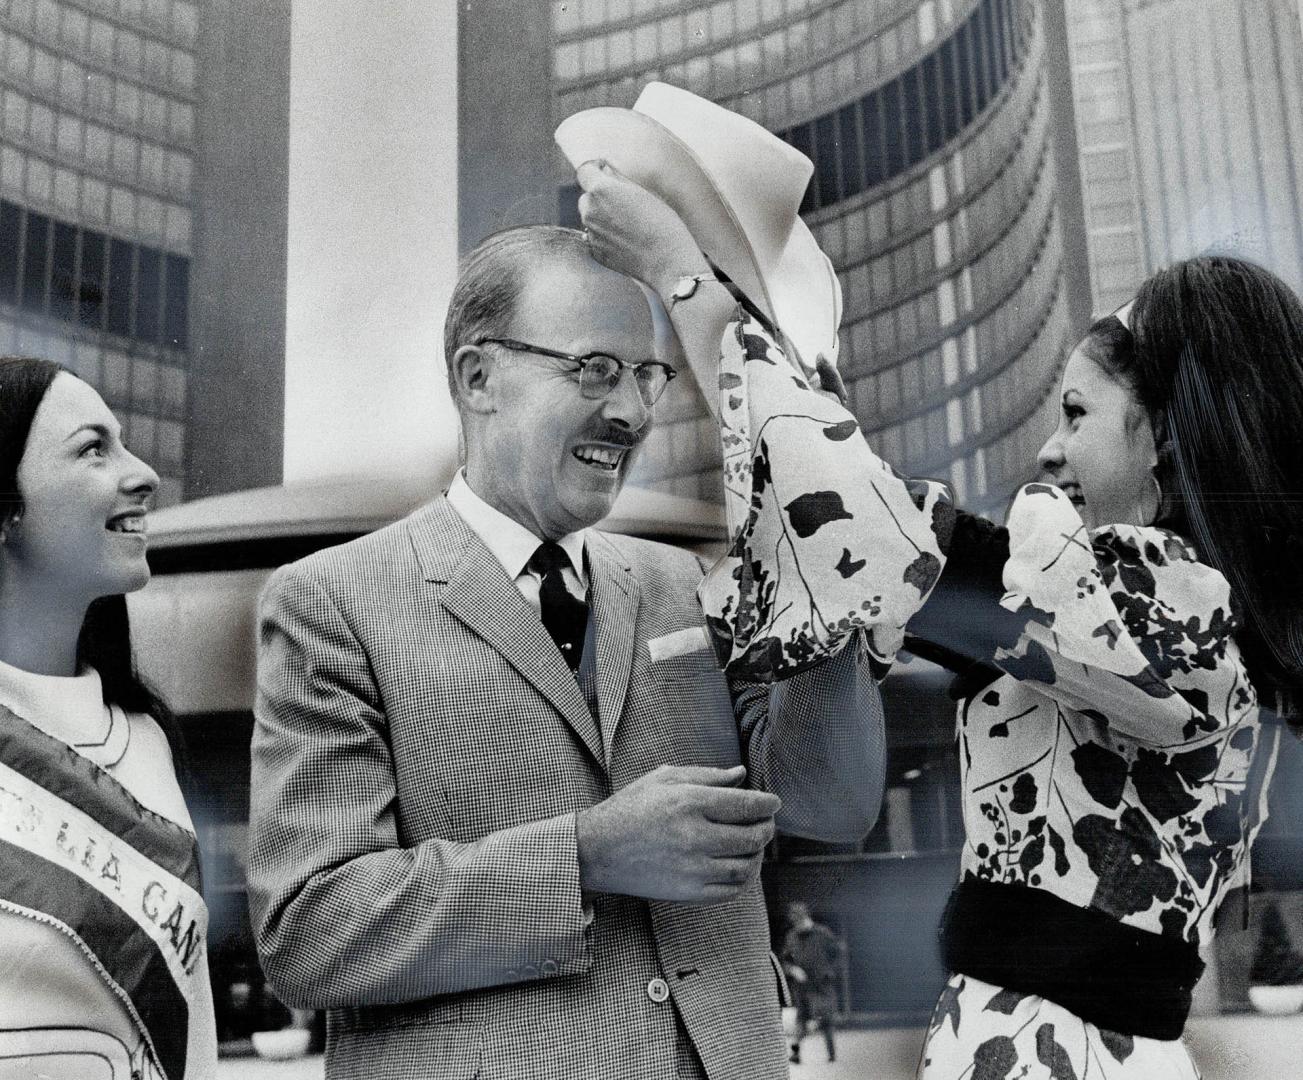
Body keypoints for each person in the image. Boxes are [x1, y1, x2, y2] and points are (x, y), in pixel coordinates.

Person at [590, 163, 1301, 1078]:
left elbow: (867, 530)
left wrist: (681, 276)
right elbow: (871, 544)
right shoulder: (1125, 612)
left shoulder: (1175, 609)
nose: (1049, 447)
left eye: (1077, 413)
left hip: (1054, 1051)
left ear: (1164, 434)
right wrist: (800, 385)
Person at [247, 224, 887, 1080]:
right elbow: (310, 931)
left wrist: (822, 562)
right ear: (478, 378)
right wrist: (584, 856)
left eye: (646, 375)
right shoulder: (330, 602)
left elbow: (829, 805)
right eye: (594, 369)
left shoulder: (691, 584)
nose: (631, 411)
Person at [0, 358, 216, 1079]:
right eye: (94, 448)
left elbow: (194, 1037)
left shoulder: (147, 741)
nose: (145, 473)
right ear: (8, 509)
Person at [781, 902, 843, 1065]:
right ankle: (795, 1053)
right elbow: (785, 962)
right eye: (794, 922)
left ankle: (832, 1055)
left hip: (822, 985)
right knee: (802, 1021)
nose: (797, 925)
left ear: (806, 917)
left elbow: (838, 953)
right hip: (802, 987)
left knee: (827, 1019)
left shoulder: (823, 934)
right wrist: (793, 970)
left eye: (799, 920)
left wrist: (830, 972)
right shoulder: (792, 936)